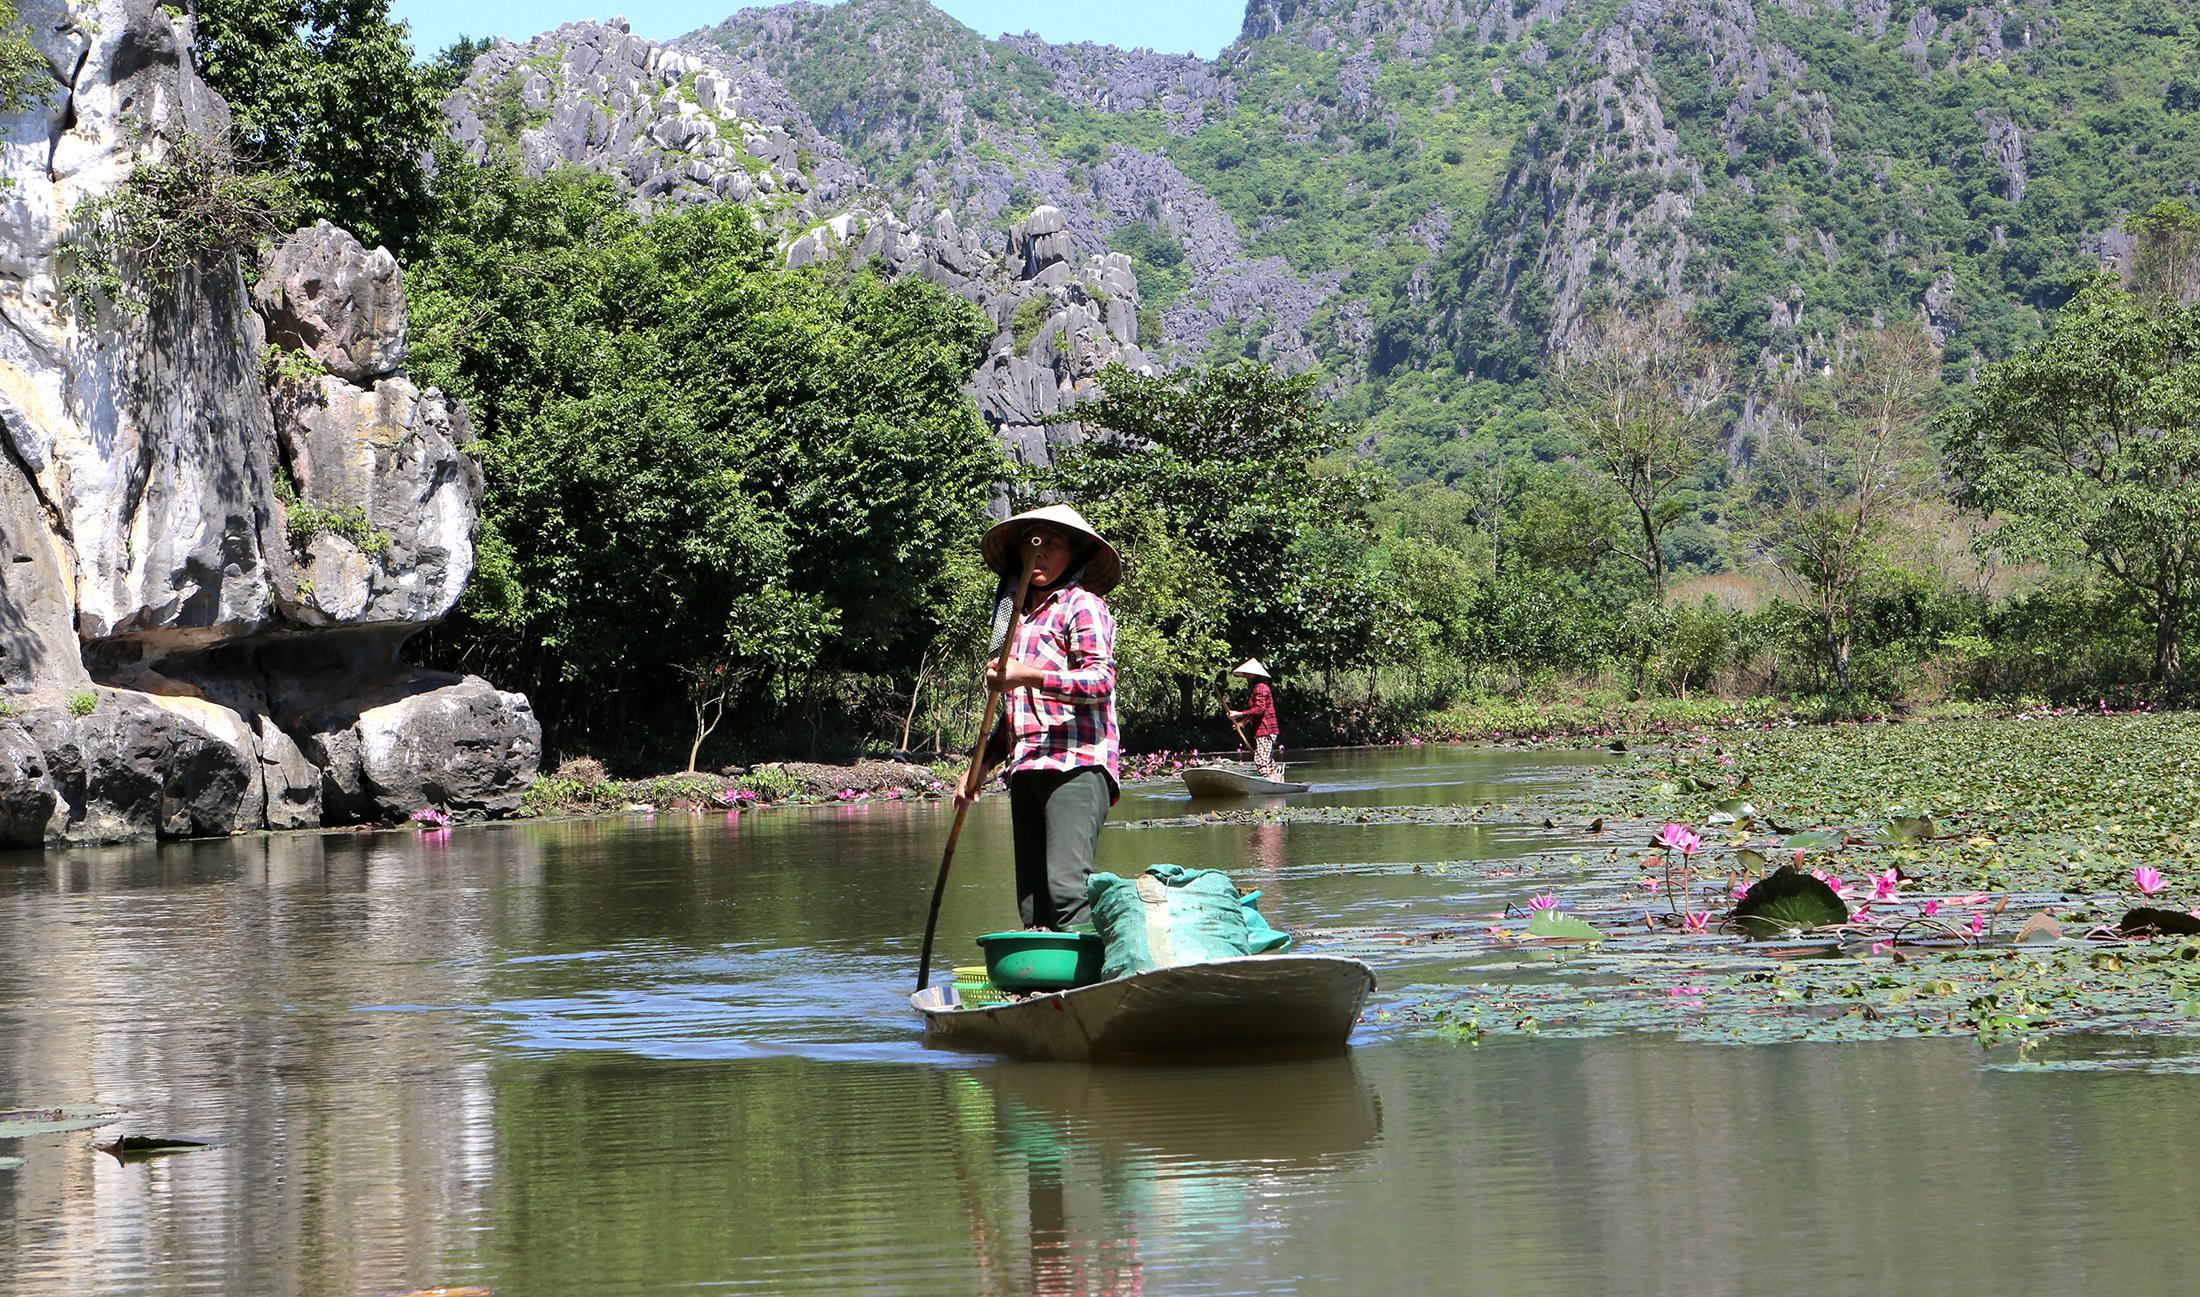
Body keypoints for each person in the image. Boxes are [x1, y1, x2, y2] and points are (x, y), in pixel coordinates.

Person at [955, 504, 1122, 930]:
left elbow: (1100, 681)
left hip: (1077, 763)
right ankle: (1043, 987)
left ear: (1075, 557)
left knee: (1067, 889)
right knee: (1033, 905)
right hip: (1026, 766)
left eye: (1054, 544)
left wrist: (1028, 675)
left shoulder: (1081, 605)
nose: (1042, 553)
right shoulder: (1012, 619)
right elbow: (1011, 714)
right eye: (1035, 544)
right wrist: (980, 767)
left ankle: (1090, 986)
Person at [1228, 658, 1283, 780]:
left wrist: (1239, 714)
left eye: (1248, 673)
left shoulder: (1261, 688)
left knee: (1261, 760)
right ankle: (1275, 780)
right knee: (1266, 760)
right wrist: (1243, 722)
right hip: (1262, 729)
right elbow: (1255, 711)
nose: (1246, 676)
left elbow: (1259, 709)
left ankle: (1271, 782)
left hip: (1266, 729)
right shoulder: (1256, 688)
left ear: (1255, 674)